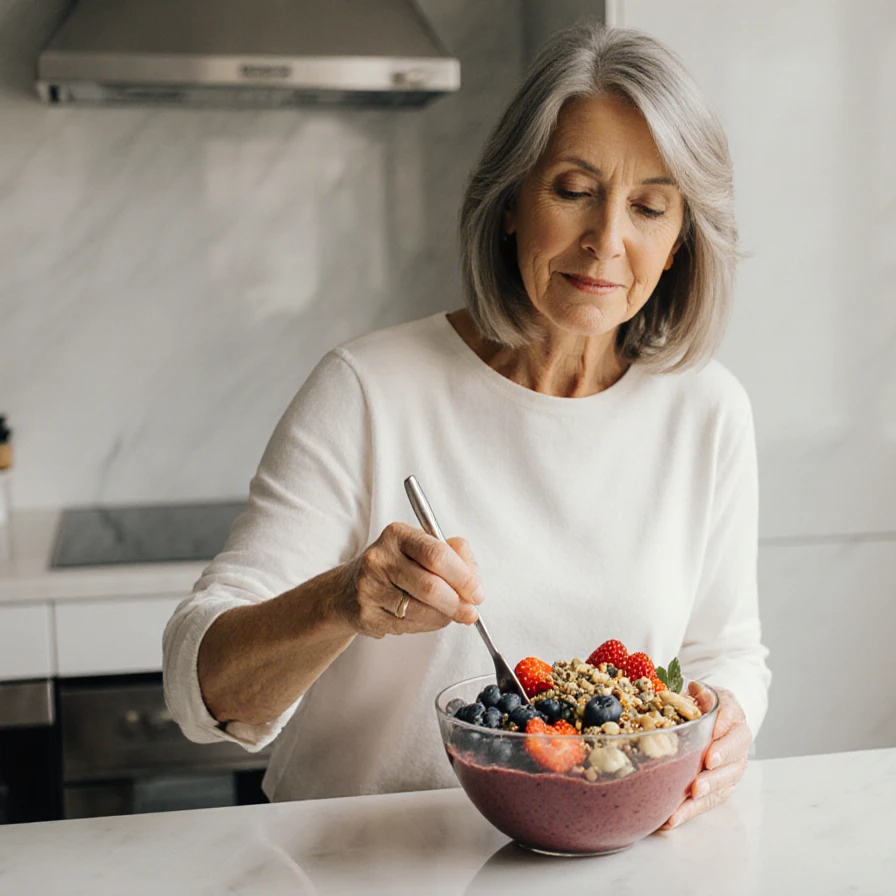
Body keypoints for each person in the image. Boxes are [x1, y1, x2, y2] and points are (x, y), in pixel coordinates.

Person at [163, 22, 770, 831]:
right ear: (512, 201)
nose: (607, 240)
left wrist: (725, 726)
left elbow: (726, 652)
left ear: (680, 242)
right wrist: (343, 601)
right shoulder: (367, 389)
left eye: (650, 207)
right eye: (573, 189)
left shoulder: (708, 412)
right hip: (351, 871)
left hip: (599, 869)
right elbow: (198, 689)